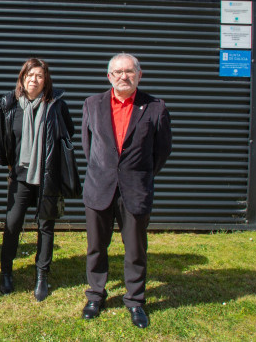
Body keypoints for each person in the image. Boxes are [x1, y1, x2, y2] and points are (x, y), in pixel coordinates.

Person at [81, 53, 172, 329]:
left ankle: (135, 300)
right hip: (100, 187)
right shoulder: (92, 104)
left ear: (139, 75)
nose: (124, 76)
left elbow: (162, 151)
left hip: (135, 189)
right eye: (118, 72)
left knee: (135, 249)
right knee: (96, 247)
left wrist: (138, 174)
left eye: (130, 71)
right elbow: (89, 145)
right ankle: (96, 295)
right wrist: (105, 170)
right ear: (109, 76)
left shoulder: (156, 107)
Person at [0, 58, 74, 301]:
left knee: (46, 226)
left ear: (46, 80)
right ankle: (6, 272)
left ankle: (42, 275)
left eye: (39, 76)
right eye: (29, 75)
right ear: (22, 78)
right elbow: (5, 139)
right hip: (19, 176)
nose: (34, 80)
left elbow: (67, 134)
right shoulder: (9, 105)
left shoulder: (56, 106)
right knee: (12, 225)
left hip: (47, 176)